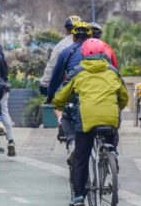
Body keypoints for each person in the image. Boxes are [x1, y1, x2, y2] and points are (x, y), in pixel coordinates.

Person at [52, 38, 129, 206]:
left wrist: (57, 104)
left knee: (81, 156)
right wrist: (118, 108)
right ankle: (112, 154)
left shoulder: (78, 71)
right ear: (104, 53)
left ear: (83, 55)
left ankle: (79, 196)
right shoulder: (113, 71)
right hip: (110, 118)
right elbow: (124, 97)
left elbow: (62, 94)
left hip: (86, 120)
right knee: (112, 133)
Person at [46, 22, 93, 158]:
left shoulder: (66, 52)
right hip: (96, 91)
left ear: (73, 37)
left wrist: (50, 97)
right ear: (91, 37)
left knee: (66, 116)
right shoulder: (100, 51)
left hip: (74, 89)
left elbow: (56, 78)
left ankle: (72, 141)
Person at [39, 15, 82, 96]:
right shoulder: (92, 43)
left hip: (68, 85)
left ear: (67, 30)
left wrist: (44, 84)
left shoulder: (61, 45)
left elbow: (52, 65)